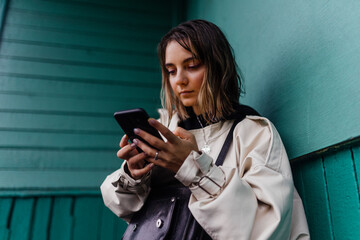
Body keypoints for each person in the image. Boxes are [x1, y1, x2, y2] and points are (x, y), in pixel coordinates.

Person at [101, 19, 310, 239]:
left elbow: (267, 227)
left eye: (192, 66)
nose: (179, 80)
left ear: (218, 66)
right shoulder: (166, 132)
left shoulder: (253, 133)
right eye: (171, 71)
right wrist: (135, 175)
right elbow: (123, 207)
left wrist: (192, 168)